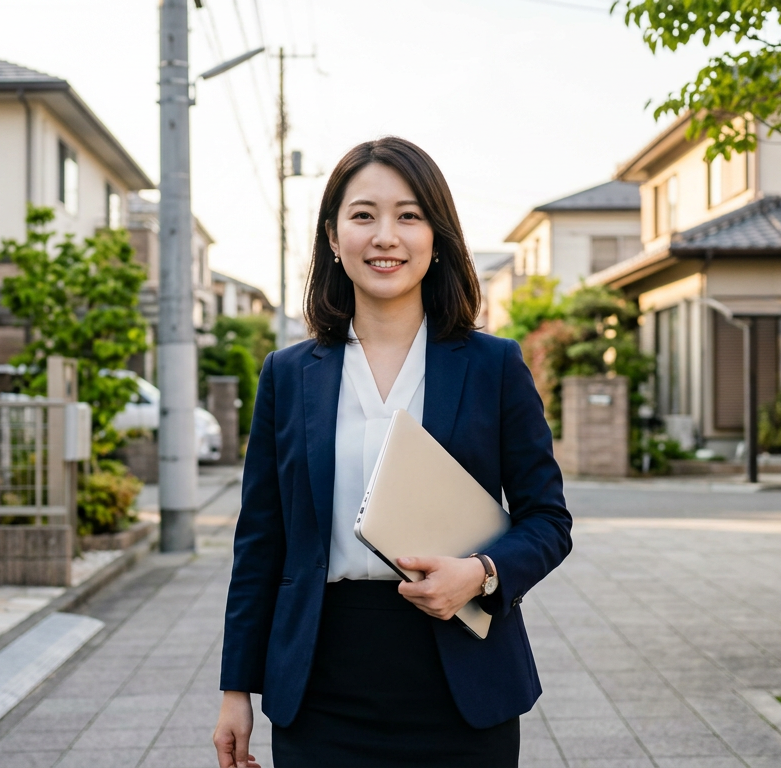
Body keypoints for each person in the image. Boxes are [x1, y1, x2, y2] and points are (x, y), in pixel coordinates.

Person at [212, 136, 573, 768]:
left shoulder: (493, 366)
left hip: (461, 677)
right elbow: (260, 541)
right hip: (321, 681)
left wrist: (482, 574)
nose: (386, 236)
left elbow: (549, 520)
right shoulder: (288, 374)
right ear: (332, 237)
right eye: (363, 215)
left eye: (409, 215)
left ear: (436, 238)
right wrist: (235, 687)